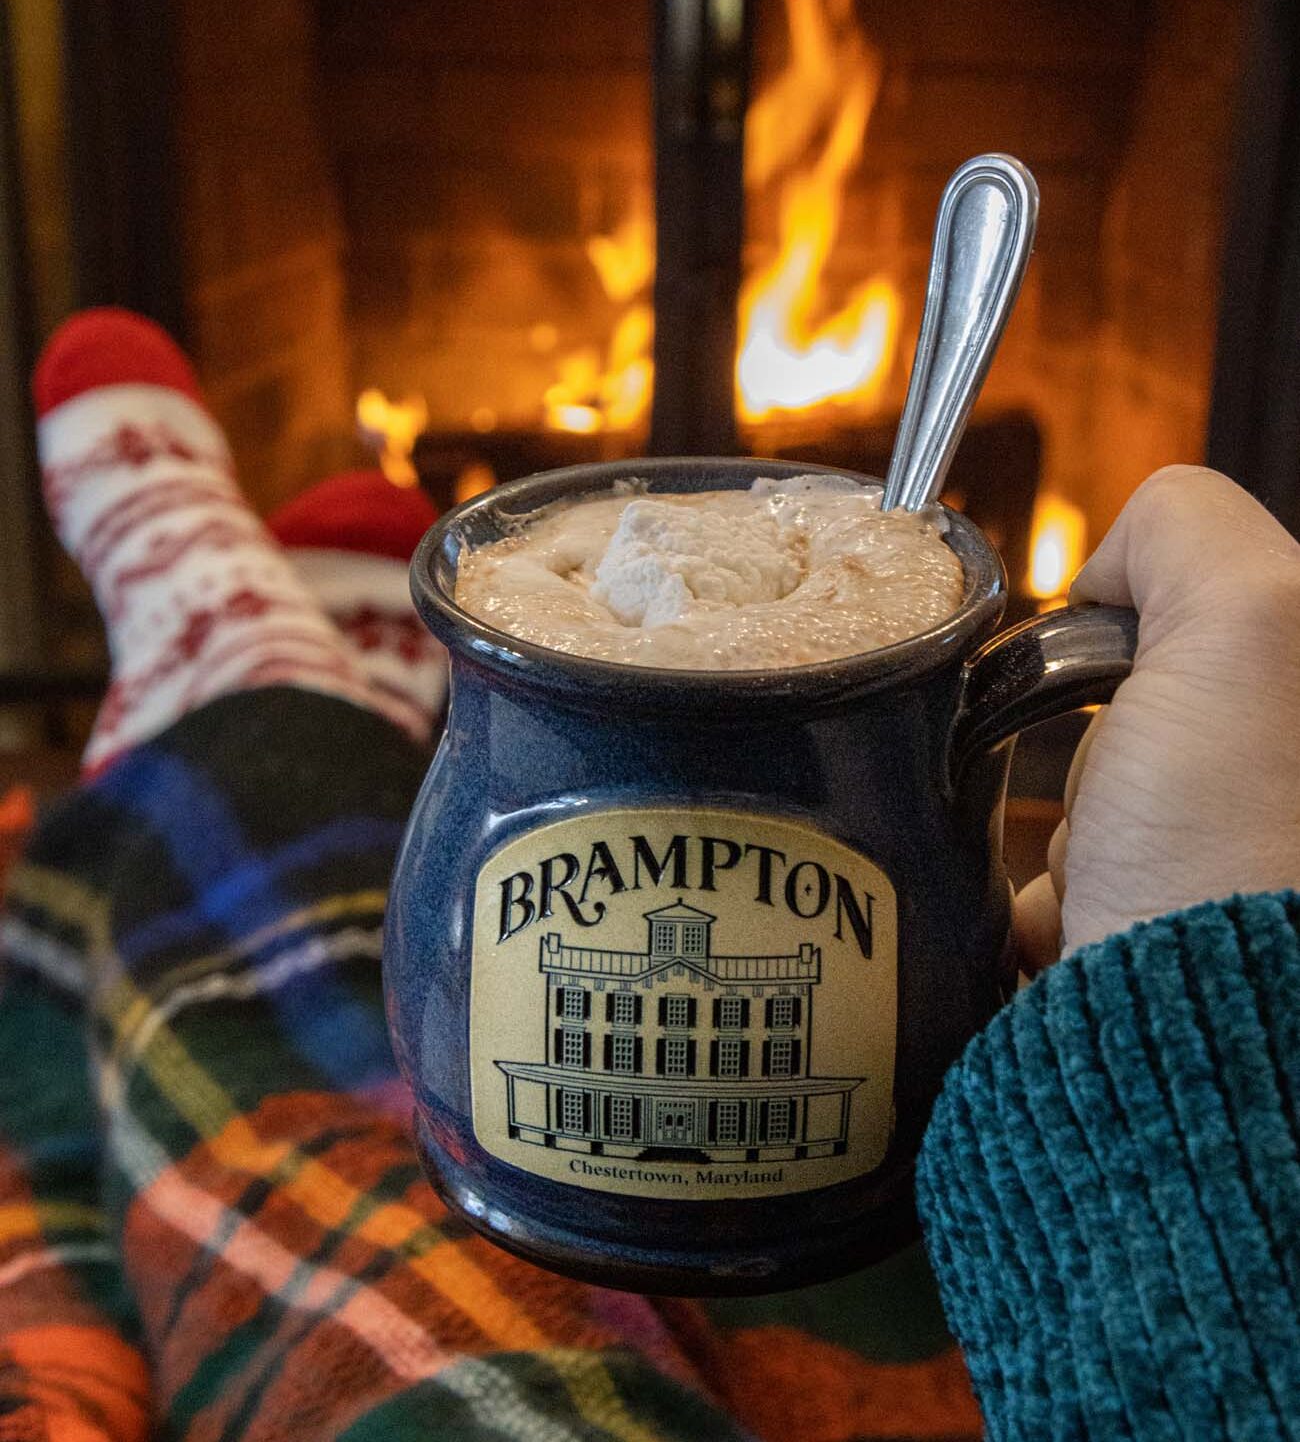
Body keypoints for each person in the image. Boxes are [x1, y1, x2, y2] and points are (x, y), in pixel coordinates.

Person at [0, 309, 1296, 1441]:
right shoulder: (1215, 1304)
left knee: (279, 989)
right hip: (1003, 1270)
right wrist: (1196, 1011)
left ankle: (245, 684)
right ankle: (275, 686)